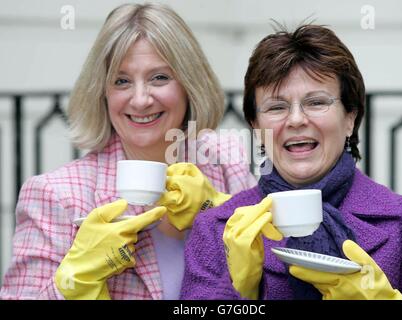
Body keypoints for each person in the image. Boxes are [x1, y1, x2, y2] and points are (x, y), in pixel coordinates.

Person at [0, 2, 256, 300]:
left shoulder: (224, 161)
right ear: (102, 92)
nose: (140, 99)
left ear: (189, 84)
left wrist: (219, 214)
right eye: (121, 81)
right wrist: (71, 282)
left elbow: (269, 282)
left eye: (159, 77)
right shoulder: (55, 194)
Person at [180, 24, 402, 300]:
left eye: (316, 102)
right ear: (256, 126)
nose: (296, 120)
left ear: (350, 117)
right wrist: (240, 292)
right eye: (276, 107)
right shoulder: (215, 228)